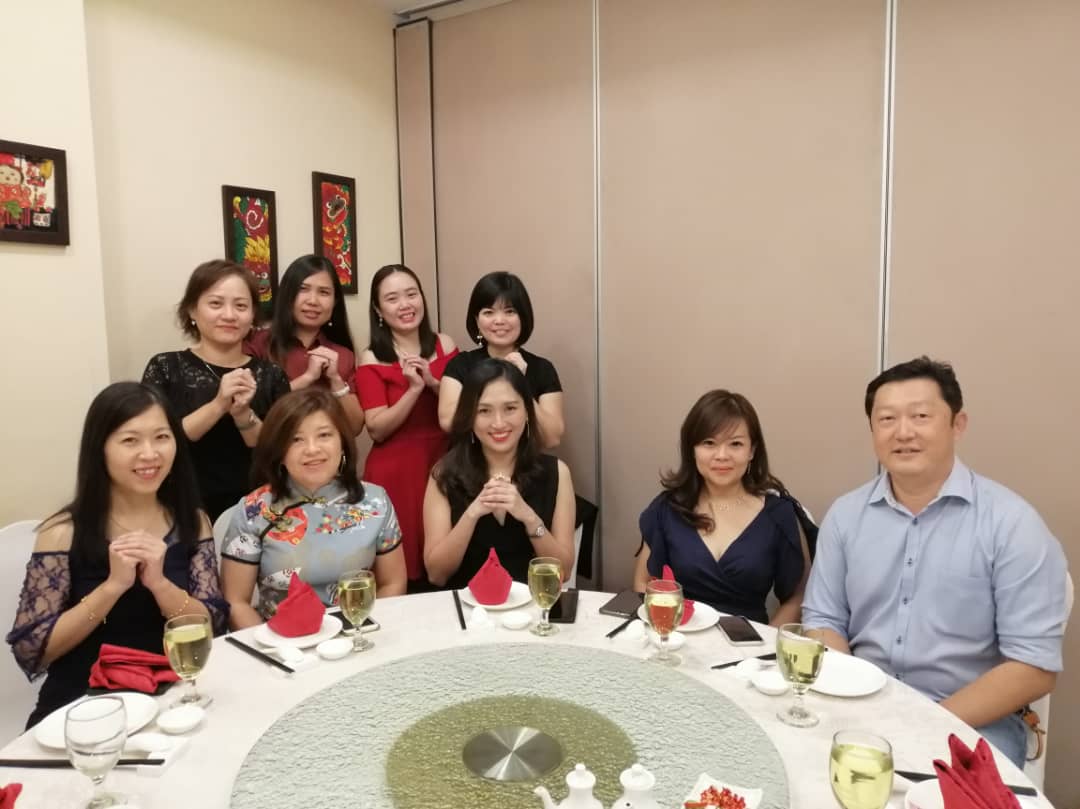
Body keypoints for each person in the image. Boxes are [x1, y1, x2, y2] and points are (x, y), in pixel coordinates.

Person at [802, 357, 1068, 768]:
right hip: (861, 707)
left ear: (957, 424)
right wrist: (855, 697)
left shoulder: (1012, 524)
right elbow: (823, 619)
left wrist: (922, 724)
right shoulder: (846, 515)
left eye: (921, 416)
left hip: (972, 720)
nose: (903, 432)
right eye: (886, 419)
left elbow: (1033, 665)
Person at [6, 383, 227, 728]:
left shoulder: (192, 521)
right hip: (83, 704)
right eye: (130, 440)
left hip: (174, 695)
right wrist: (113, 586)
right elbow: (34, 649)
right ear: (100, 449)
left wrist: (159, 584)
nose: (150, 454)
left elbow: (211, 626)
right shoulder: (63, 531)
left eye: (161, 437)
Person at [220, 389, 406, 628]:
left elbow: (393, 583)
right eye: (296, 439)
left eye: (324, 435)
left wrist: (364, 632)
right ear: (279, 451)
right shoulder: (254, 510)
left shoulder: (375, 501)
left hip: (359, 631)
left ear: (342, 442)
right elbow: (236, 602)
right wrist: (272, 646)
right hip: (284, 641)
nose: (312, 449)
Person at [633, 390, 811, 625]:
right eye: (709, 443)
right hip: (679, 637)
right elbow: (644, 583)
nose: (722, 455)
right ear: (692, 449)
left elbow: (798, 597)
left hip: (749, 643)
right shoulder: (667, 509)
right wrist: (664, 631)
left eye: (735, 444)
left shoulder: (779, 514)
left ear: (752, 450)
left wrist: (767, 642)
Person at [142, 260, 290, 519]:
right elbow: (155, 442)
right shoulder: (165, 367)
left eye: (241, 306)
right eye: (216, 303)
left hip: (256, 509)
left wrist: (243, 415)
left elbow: (278, 450)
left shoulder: (272, 374)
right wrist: (218, 405)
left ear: (253, 315)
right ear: (192, 310)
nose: (229, 315)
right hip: (181, 506)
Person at [424, 359, 575, 589]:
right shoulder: (444, 474)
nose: (498, 423)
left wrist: (529, 517)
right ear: (470, 416)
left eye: (510, 409)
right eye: (484, 411)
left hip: (533, 605)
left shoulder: (557, 473)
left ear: (527, 411)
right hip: (465, 607)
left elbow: (563, 572)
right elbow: (436, 574)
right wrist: (472, 514)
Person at [357, 264, 458, 590]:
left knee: (447, 562)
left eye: (411, 294)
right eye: (392, 298)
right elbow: (376, 428)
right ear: (378, 310)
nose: (405, 304)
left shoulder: (445, 344)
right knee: (402, 574)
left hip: (445, 462)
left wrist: (433, 383)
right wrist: (414, 390)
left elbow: (464, 408)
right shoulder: (371, 357)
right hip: (397, 471)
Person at [438, 272, 564, 448]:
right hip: (469, 462)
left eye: (510, 311)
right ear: (477, 320)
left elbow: (552, 439)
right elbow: (448, 422)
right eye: (488, 312)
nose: (499, 320)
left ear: (523, 317)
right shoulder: (460, 364)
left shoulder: (542, 369)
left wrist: (521, 382)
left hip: (523, 462)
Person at [245, 254, 364, 435]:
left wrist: (336, 380)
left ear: (335, 302)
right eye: (303, 289)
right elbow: (249, 412)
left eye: (324, 292)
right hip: (272, 450)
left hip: (325, 451)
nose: (313, 301)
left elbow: (354, 428)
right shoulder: (258, 343)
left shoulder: (344, 355)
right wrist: (307, 379)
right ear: (288, 295)